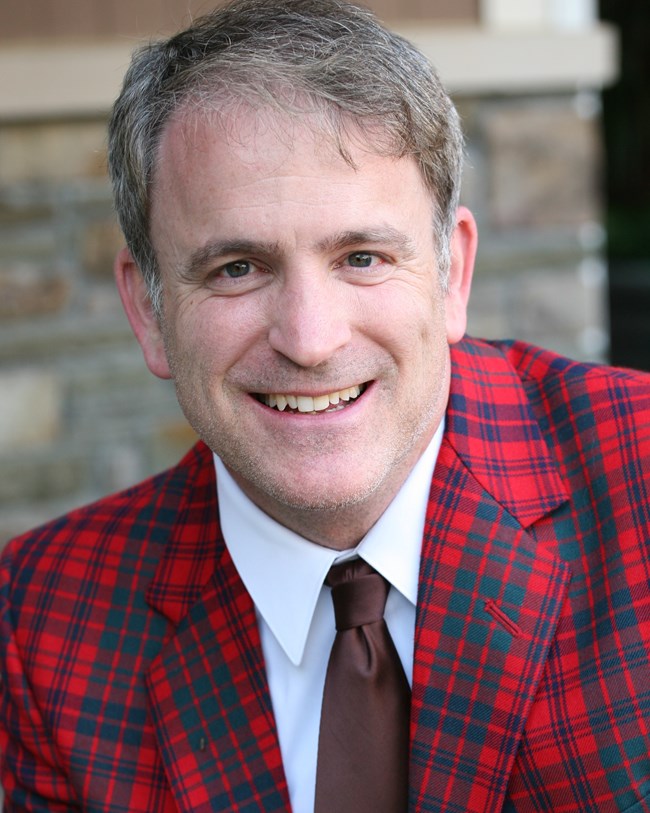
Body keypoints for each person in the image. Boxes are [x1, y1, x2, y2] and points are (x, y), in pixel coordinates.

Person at [1, 0, 649, 810]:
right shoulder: (40, 626)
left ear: (452, 275)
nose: (309, 339)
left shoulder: (639, 477)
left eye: (363, 256)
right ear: (149, 311)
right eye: (237, 267)